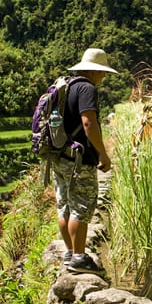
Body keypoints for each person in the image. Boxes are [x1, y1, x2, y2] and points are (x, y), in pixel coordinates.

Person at [55, 48, 115, 275]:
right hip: (79, 160)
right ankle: (79, 257)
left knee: (65, 206)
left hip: (61, 157)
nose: (103, 77)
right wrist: (103, 153)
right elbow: (88, 123)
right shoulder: (87, 88)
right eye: (103, 73)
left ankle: (70, 253)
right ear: (94, 71)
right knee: (81, 207)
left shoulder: (67, 85)